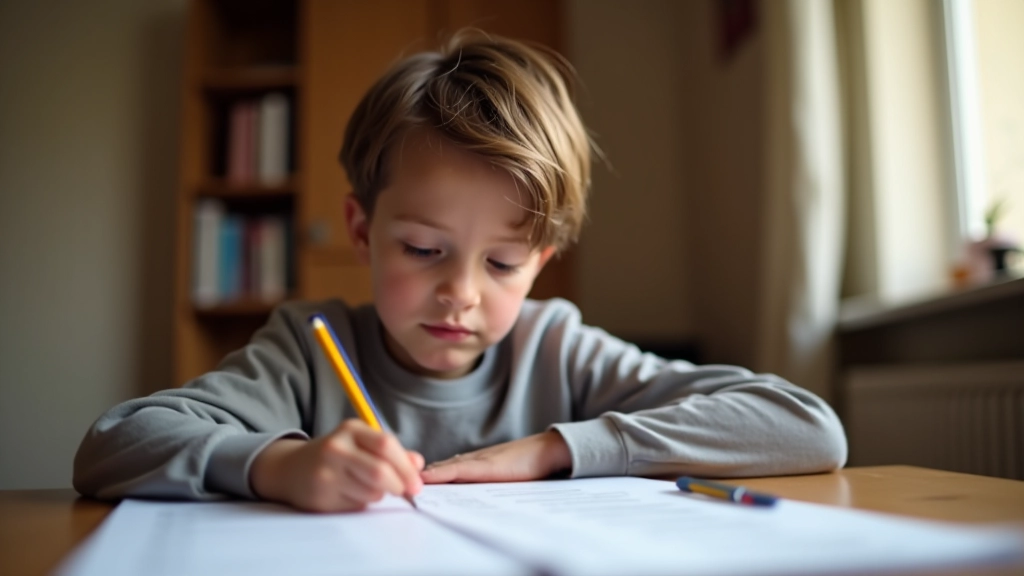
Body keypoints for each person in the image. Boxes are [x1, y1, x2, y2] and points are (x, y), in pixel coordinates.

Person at [73, 30, 847, 512]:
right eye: (421, 249)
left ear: (539, 266)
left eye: (503, 262)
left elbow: (807, 428)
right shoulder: (309, 348)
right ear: (361, 228)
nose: (461, 292)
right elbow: (113, 443)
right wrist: (277, 465)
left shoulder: (557, 349)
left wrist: (554, 449)